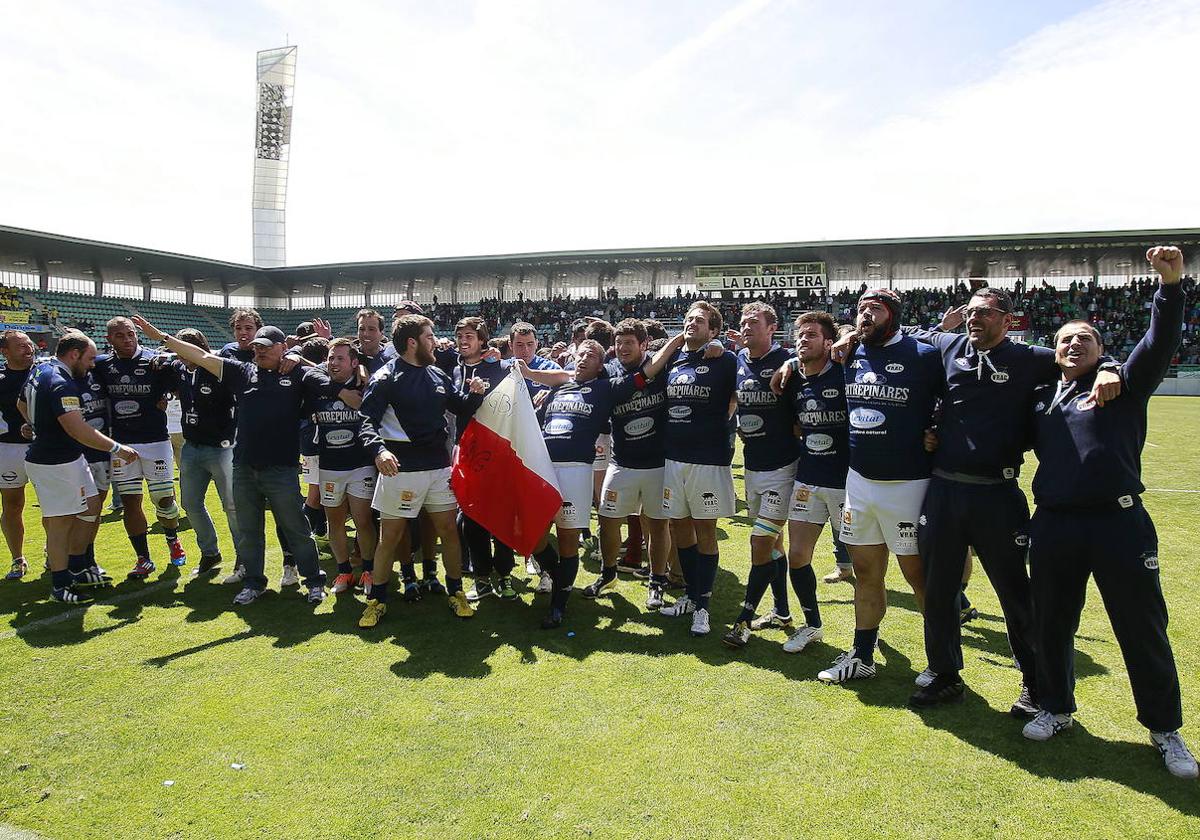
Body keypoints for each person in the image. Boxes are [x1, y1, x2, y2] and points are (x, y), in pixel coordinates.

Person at [891, 287, 1120, 710]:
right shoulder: (947, 344)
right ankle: (944, 673)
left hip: (997, 494)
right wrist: (848, 338)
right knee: (939, 590)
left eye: (983, 313)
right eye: (969, 312)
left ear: (1007, 320)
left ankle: (1033, 680)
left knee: (1015, 592)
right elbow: (900, 336)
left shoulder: (1031, 358)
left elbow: (1079, 357)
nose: (973, 319)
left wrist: (1110, 366)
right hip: (943, 490)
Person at [1021, 246, 1197, 780]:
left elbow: (1158, 344)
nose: (1074, 343)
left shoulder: (1122, 387)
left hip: (1118, 523)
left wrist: (1169, 289)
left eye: (1086, 338)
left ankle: (1165, 729)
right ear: (1054, 353)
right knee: (1051, 622)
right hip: (1053, 524)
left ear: (1101, 350)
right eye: (1065, 339)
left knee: (1141, 626)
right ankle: (1055, 708)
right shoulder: (1038, 399)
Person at [130, 316, 360, 606]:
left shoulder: (298, 374)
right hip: (243, 467)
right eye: (256, 347)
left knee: (297, 529)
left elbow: (329, 376)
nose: (259, 351)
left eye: (265, 347)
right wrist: (160, 336)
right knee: (250, 531)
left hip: (282, 468)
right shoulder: (242, 372)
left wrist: (297, 359)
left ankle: (313, 581)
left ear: (280, 347)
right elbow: (200, 356)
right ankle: (254, 582)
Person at [815, 289, 943, 684]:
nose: (865, 315)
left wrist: (939, 430)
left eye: (875, 309)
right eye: (860, 309)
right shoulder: (850, 353)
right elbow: (803, 361)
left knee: (918, 577)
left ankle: (940, 662)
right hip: (860, 483)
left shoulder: (923, 355)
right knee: (867, 573)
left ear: (894, 316)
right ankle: (863, 655)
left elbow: (955, 400)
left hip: (907, 485)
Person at [356, 314, 488, 626]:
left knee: (448, 532)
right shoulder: (385, 377)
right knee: (391, 537)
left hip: (439, 469)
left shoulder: (437, 375)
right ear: (413, 342)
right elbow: (366, 422)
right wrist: (379, 450)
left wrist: (476, 393)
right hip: (400, 471)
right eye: (429, 337)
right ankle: (376, 599)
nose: (435, 342)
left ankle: (455, 592)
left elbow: (460, 406)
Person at [18, 331, 136, 603]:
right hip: (54, 462)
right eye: (90, 359)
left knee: (92, 505)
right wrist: (117, 448)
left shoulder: (42, 369)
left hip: (67, 458)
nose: (93, 365)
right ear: (74, 355)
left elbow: (21, 403)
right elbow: (77, 429)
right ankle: (61, 584)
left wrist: (37, 424)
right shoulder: (61, 382)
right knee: (60, 523)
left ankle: (77, 565)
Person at [644, 301, 738, 637]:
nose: (691, 324)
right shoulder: (676, 360)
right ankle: (689, 593)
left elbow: (741, 390)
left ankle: (703, 606)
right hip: (674, 459)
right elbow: (648, 369)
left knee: (705, 531)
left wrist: (723, 345)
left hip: (707, 461)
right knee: (680, 529)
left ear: (713, 330)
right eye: (687, 319)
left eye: (699, 321)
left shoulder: (724, 359)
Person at [769, 311, 850, 654]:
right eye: (800, 335)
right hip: (809, 478)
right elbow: (794, 426)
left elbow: (856, 337)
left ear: (829, 342)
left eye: (812, 335)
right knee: (798, 555)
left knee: (864, 567)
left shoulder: (847, 373)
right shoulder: (793, 380)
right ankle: (812, 624)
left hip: (849, 481)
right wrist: (789, 362)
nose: (803, 339)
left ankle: (866, 638)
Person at [722, 303, 801, 649]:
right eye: (743, 322)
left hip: (784, 468)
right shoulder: (738, 360)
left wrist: (793, 362)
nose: (747, 327)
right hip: (752, 467)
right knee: (773, 546)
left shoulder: (787, 360)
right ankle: (782, 611)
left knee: (760, 542)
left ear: (773, 328)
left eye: (754, 322)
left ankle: (743, 621)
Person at [581, 319, 672, 609]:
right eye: (619, 343)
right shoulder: (609, 371)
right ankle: (608, 574)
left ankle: (657, 580)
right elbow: (578, 375)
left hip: (659, 463)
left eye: (629, 342)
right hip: (622, 463)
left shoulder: (662, 368)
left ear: (644, 344)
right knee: (607, 520)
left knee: (658, 526)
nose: (622, 348)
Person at [92, 316, 184, 579]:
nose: (128, 339)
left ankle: (172, 538)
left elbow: (180, 383)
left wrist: (167, 390)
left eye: (131, 334)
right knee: (131, 501)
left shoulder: (155, 362)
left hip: (155, 441)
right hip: (121, 445)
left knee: (164, 499)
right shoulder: (101, 366)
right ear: (109, 339)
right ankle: (143, 558)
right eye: (120, 335)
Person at [524, 341, 608, 628]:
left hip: (576, 471)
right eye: (580, 353)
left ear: (601, 364)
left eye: (591, 355)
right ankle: (560, 578)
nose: (583, 358)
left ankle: (558, 607)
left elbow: (645, 370)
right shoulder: (558, 388)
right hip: (545, 470)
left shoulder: (605, 387)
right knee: (532, 537)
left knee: (569, 539)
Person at [451, 317, 517, 601]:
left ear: (482, 340)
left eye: (469, 336)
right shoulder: (452, 369)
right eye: (460, 336)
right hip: (467, 453)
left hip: (498, 452)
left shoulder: (501, 367)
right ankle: (481, 577)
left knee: (502, 516)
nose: (463, 341)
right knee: (471, 516)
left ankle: (504, 574)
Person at [170, 328, 240, 577]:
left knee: (232, 506)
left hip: (221, 447)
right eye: (179, 350)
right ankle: (210, 552)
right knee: (190, 503)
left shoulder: (216, 370)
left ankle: (243, 557)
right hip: (192, 446)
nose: (183, 355)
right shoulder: (177, 369)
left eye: (187, 349)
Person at [311, 337, 377, 595]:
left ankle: (369, 570)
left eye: (340, 358)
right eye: (331, 358)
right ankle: (343, 571)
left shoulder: (365, 386)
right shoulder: (318, 386)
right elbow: (304, 372)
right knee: (334, 522)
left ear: (353, 362)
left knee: (363, 520)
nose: (334, 363)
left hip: (361, 465)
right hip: (329, 467)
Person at [0, 330, 35, 580]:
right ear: (5, 352)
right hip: (9, 449)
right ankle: (17, 558)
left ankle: (52, 551)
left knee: (54, 505)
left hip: (47, 447)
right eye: (21, 346)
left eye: (29, 344)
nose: (29, 349)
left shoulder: (47, 372)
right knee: (12, 505)